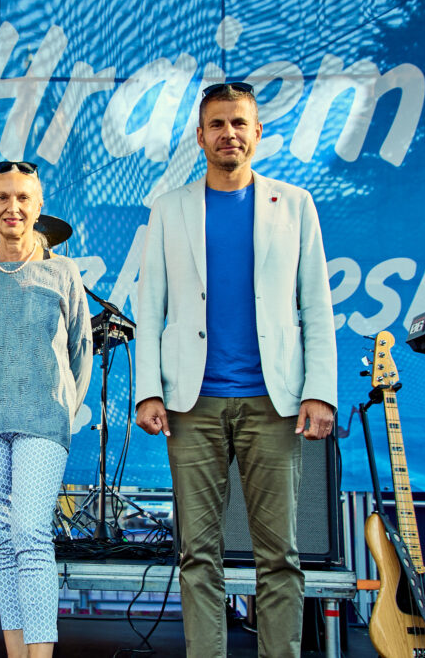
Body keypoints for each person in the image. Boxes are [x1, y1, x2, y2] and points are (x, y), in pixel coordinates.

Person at [134, 82, 337, 657]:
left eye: (239, 123)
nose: (229, 134)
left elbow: (315, 305)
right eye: (217, 124)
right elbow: (150, 308)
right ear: (200, 137)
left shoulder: (294, 204)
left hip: (273, 402)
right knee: (197, 555)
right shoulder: (169, 208)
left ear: (258, 133)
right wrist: (148, 390)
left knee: (280, 555)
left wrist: (319, 391)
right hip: (191, 403)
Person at [0, 161, 92, 658]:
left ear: (38, 206)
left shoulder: (63, 271)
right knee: (3, 541)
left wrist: (63, 411)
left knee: (30, 532)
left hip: (42, 420)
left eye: (23, 198)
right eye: (2, 198)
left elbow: (81, 350)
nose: (12, 207)